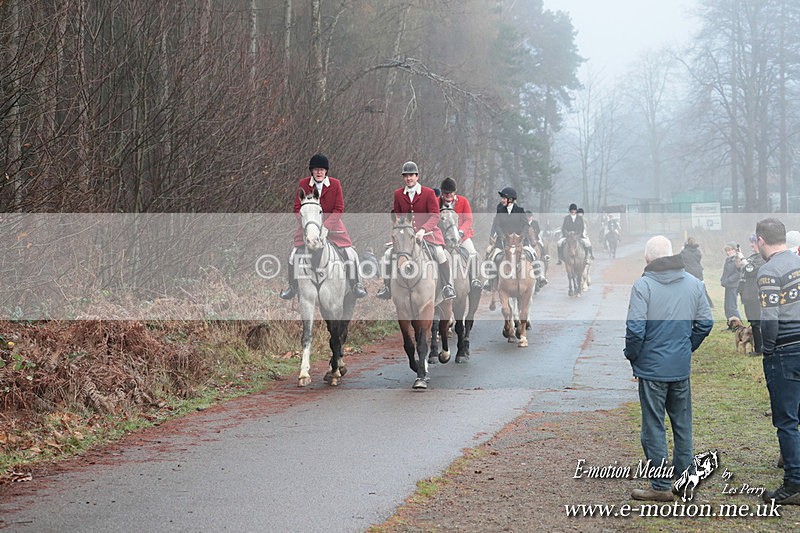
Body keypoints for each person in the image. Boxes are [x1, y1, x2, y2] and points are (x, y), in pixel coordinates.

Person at [625, 235, 713, 502]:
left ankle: (661, 485)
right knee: (682, 424)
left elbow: (636, 329)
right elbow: (705, 323)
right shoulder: (695, 284)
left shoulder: (643, 285)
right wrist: (686, 348)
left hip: (652, 370)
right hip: (679, 367)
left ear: (647, 258)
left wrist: (633, 356)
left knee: (653, 426)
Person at [755, 218, 800, 504]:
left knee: (786, 420)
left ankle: (794, 483)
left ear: (761, 240)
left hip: (785, 349)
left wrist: (768, 348)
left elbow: (769, 317)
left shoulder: (769, 271)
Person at [281, 153, 367, 300]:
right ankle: (292, 287)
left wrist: (326, 227)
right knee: (293, 254)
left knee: (349, 254)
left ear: (326, 171)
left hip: (333, 227)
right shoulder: (303, 184)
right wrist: (307, 223)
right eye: (316, 169)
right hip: (309, 227)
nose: (319, 172)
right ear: (312, 171)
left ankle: (355, 285)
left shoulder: (335, 184)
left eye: (322, 169)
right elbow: (297, 208)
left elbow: (339, 208)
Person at [375, 161, 456, 300]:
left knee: (440, 253)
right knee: (388, 255)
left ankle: (447, 286)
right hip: (405, 237)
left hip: (428, 234)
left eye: (411, 175)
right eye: (406, 175)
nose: (409, 178)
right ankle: (387, 287)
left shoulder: (428, 193)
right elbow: (398, 217)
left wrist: (423, 230)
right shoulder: (398, 194)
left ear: (417, 176)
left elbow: (435, 215)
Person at [483, 187, 535, 291]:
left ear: (510, 199)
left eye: (503, 198)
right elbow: (497, 225)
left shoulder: (520, 211)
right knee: (493, 257)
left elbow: (526, 225)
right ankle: (490, 281)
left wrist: (522, 236)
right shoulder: (500, 211)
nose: (501, 200)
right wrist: (501, 235)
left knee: (532, 253)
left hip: (519, 241)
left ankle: (538, 276)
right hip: (503, 241)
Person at [439, 177, 483, 290]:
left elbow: (468, 219)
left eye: (451, 193)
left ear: (455, 192)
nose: (448, 195)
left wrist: (461, 232)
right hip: (443, 237)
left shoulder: (463, 201)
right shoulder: (436, 201)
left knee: (472, 252)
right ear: (442, 192)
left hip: (461, 236)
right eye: (446, 193)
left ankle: (474, 279)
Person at [737, 233, 765, 355]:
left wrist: (743, 259)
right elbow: (742, 268)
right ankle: (758, 348)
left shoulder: (762, 258)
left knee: (757, 323)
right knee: (754, 322)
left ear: (760, 243)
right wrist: (740, 259)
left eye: (753, 242)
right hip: (748, 295)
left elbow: (750, 269)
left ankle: (760, 349)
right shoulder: (754, 257)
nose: (751, 245)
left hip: (755, 295)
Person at [680, 237, 713, 309]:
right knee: (702, 289)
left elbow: (681, 259)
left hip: (689, 272)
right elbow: (698, 259)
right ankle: (709, 303)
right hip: (698, 272)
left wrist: (683, 249)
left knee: (688, 289)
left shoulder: (684, 252)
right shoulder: (698, 251)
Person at [525, 210, 549, 289]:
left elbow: (538, 230)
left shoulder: (535, 223)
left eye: (529, 217)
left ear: (531, 217)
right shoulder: (524, 223)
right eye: (527, 217)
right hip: (526, 240)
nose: (528, 218)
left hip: (535, 238)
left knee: (542, 244)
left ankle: (545, 255)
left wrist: (535, 233)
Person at [720, 242, 743, 322]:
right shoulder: (728, 260)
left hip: (734, 286)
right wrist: (722, 279)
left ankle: (739, 324)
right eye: (726, 251)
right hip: (728, 286)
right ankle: (730, 324)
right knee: (727, 306)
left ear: (734, 250)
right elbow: (726, 272)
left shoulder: (737, 260)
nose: (728, 252)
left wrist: (729, 280)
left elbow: (738, 274)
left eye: (729, 250)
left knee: (732, 307)